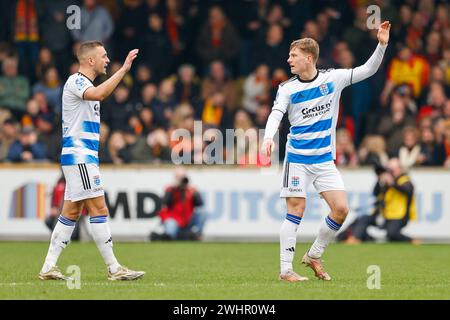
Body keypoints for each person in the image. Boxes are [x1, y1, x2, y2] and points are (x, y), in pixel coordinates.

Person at [262, 22, 391, 282]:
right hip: (297, 159)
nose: (289, 60)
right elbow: (276, 113)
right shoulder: (287, 88)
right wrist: (268, 137)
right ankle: (286, 270)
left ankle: (314, 255)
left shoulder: (333, 78)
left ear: (309, 58)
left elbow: (368, 69)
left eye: (294, 56)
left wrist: (382, 44)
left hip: (323, 160)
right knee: (296, 210)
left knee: (341, 209)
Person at [38, 41, 145, 281]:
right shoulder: (76, 81)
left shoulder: (84, 84)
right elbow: (101, 93)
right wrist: (124, 69)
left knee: (72, 212)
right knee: (99, 208)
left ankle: (48, 267)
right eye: (104, 56)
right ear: (90, 60)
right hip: (80, 157)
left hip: (81, 157)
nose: (107, 60)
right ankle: (114, 268)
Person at [342, 158, 418, 244]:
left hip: (399, 216)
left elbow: (407, 190)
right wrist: (380, 180)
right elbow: (375, 193)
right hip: (384, 214)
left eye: (392, 169)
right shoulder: (386, 180)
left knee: (391, 234)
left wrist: (392, 183)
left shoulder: (404, 179)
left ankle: (412, 240)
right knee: (363, 219)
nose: (390, 172)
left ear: (399, 169)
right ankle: (356, 238)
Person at [151, 168, 206, 241]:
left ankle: (197, 234)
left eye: (183, 177)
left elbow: (200, 204)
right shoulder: (170, 189)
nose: (181, 180)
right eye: (179, 177)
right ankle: (170, 236)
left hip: (187, 220)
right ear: (175, 178)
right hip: (174, 220)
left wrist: (195, 193)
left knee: (203, 213)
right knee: (170, 226)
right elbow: (165, 203)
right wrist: (174, 188)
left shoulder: (191, 190)